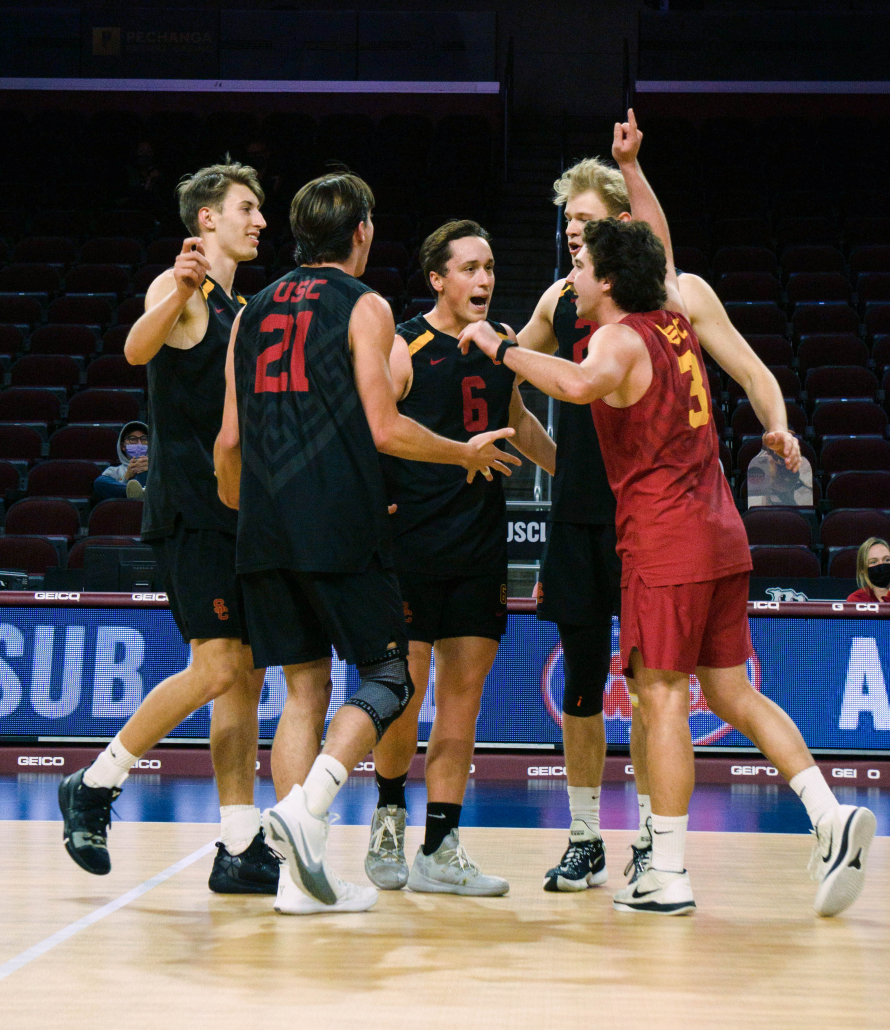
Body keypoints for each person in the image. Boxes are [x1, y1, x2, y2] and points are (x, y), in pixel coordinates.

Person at [460, 216, 876, 917]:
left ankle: (670, 872)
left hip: (665, 541)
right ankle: (830, 815)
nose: (573, 279)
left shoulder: (617, 338)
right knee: (733, 693)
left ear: (612, 279)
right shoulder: (676, 325)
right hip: (721, 534)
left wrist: (502, 350)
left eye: (584, 266)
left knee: (660, 700)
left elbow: (578, 383)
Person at [214, 173, 521, 915]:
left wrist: (246, 506)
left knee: (300, 693)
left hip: (263, 525)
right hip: (340, 523)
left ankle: (296, 880)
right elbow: (385, 428)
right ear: (362, 233)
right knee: (389, 678)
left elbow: (227, 442)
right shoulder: (367, 305)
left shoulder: (249, 310)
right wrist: (463, 454)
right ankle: (310, 808)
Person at [518, 110, 802, 892]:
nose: (573, 233)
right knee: (584, 679)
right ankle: (584, 836)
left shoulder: (662, 295)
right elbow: (516, 384)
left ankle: (655, 836)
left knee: (657, 688)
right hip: (584, 506)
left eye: (587, 220)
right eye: (565, 221)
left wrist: (635, 168)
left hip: (654, 513)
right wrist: (539, 451)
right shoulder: (558, 302)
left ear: (621, 230)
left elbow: (740, 359)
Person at [59, 159, 281, 897]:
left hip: (240, 512)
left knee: (242, 682)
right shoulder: (178, 287)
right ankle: (94, 782)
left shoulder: (238, 304)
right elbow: (135, 349)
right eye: (247, 208)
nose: (259, 220)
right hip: (192, 508)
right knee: (218, 668)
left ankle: (239, 844)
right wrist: (180, 288)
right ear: (207, 218)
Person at [363, 220, 555, 896]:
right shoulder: (404, 344)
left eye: (491, 267)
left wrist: (570, 474)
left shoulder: (498, 346)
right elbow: (377, 433)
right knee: (402, 698)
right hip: (410, 545)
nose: (485, 279)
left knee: (462, 705)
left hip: (478, 546)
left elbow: (519, 419)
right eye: (470, 268)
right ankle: (388, 814)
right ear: (438, 278)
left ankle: (440, 847)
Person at [92, 421, 149, 501]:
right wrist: (126, 477)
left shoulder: (158, 466)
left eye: (144, 439)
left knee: (142, 471)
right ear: (123, 446)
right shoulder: (114, 471)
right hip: (125, 507)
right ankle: (141, 492)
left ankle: (143, 492)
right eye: (133, 439)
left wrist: (151, 468)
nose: (139, 443)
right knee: (100, 482)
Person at [847, 537, 890, 602]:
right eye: (873, 562)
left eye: (887, 560)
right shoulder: (857, 599)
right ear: (863, 569)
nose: (882, 564)